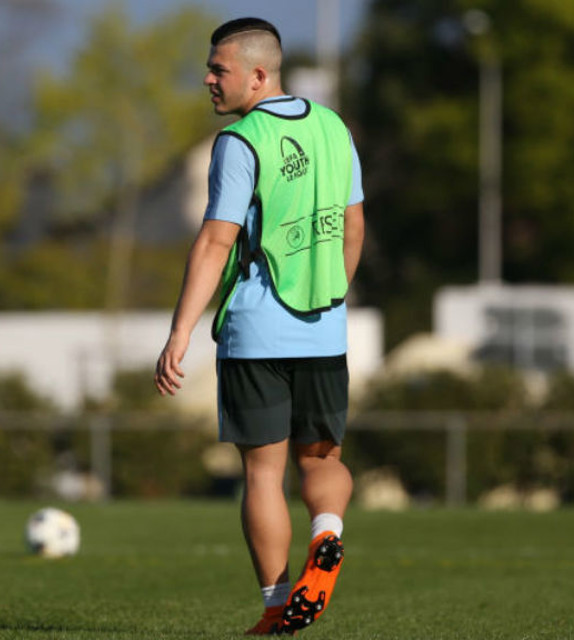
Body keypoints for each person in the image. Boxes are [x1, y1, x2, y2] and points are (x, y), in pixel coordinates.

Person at [154, 16, 365, 636]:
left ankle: (277, 608)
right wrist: (331, 298)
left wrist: (180, 331)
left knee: (264, 473)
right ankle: (327, 535)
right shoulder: (334, 126)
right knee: (323, 460)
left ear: (258, 73)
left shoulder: (240, 141)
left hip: (257, 335)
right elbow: (354, 231)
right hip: (326, 330)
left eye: (219, 69)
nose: (208, 79)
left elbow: (217, 240)